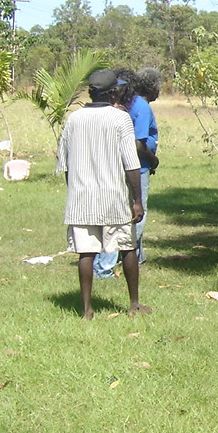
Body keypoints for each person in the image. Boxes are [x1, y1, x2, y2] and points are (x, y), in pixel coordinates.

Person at [56, 68, 149, 319]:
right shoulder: (120, 119)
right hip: (114, 197)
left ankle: (87, 309)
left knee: (86, 253)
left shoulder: (73, 119)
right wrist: (137, 200)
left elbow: (65, 164)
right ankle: (133, 304)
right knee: (127, 247)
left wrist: (74, 191)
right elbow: (131, 163)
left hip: (81, 197)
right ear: (113, 93)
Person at [94, 66, 160, 278]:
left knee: (121, 213)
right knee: (135, 215)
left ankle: (136, 258)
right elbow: (138, 144)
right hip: (136, 168)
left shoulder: (122, 105)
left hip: (118, 166)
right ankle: (106, 265)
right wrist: (154, 160)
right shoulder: (140, 107)